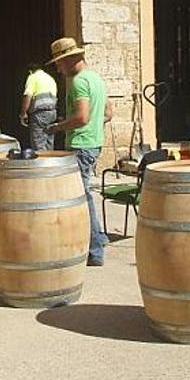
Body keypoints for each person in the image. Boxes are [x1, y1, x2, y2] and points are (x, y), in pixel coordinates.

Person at [44, 37, 113, 267]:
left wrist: (57, 127)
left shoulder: (78, 82)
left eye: (59, 62)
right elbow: (108, 113)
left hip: (80, 145)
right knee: (83, 194)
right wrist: (95, 125)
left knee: (81, 197)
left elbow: (81, 117)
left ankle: (95, 249)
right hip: (93, 143)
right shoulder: (96, 79)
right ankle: (99, 238)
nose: (57, 67)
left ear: (71, 59)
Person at [19, 64, 58, 151]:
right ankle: (50, 163)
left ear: (30, 71)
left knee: (38, 145)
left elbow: (28, 95)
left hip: (39, 114)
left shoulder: (33, 77)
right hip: (52, 113)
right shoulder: (50, 78)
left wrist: (23, 113)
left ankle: (41, 162)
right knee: (49, 143)